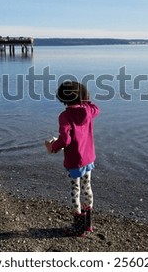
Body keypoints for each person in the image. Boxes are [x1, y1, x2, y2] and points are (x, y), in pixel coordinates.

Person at [45, 81, 100, 236]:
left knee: (75, 191)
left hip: (75, 161)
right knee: (87, 188)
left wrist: (53, 147)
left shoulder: (65, 116)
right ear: (82, 96)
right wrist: (86, 100)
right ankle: (88, 224)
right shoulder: (88, 110)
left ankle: (78, 228)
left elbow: (66, 140)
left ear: (61, 98)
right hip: (89, 158)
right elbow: (96, 108)